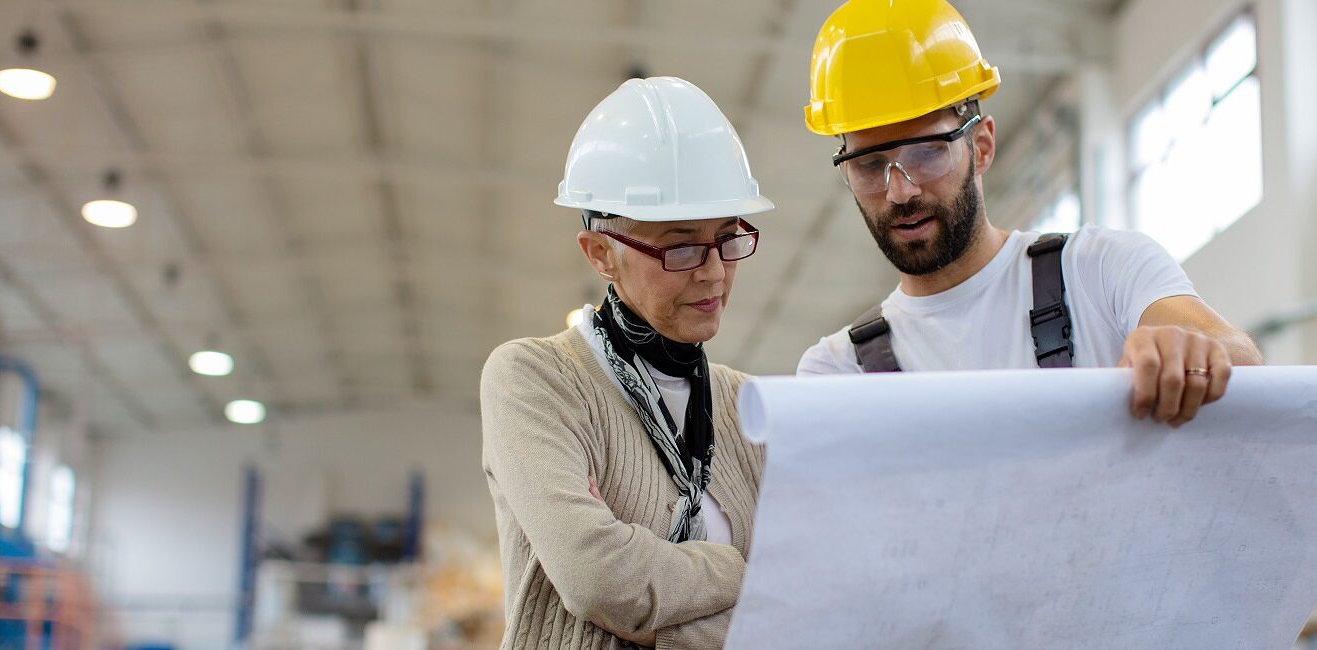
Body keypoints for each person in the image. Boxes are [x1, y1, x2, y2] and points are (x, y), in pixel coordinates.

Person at [796, 0, 1262, 426]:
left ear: (982, 146)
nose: (899, 191)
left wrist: (1191, 351)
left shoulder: (1100, 271)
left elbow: (1242, 358)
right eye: (870, 165)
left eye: (926, 153)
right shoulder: (836, 372)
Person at [480, 77, 771, 649]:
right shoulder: (535, 381)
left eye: (728, 239)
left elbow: (803, 592)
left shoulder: (749, 408)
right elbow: (597, 578)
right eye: (681, 247)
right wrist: (741, 571)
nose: (713, 271)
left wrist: (657, 595)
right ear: (601, 253)